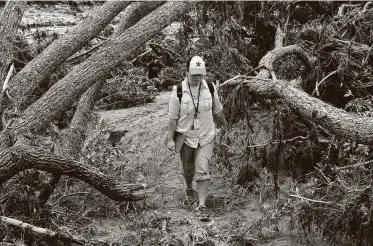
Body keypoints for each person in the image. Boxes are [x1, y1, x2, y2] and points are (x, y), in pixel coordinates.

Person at [167, 55, 227, 221]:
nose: (197, 78)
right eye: (194, 75)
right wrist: (170, 139)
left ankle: (202, 204)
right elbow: (172, 119)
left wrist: (225, 125)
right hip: (186, 136)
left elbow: (217, 109)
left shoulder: (210, 87)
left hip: (206, 135)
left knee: (202, 169)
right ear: (187, 73)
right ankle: (188, 187)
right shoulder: (178, 91)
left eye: (200, 75)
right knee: (188, 169)